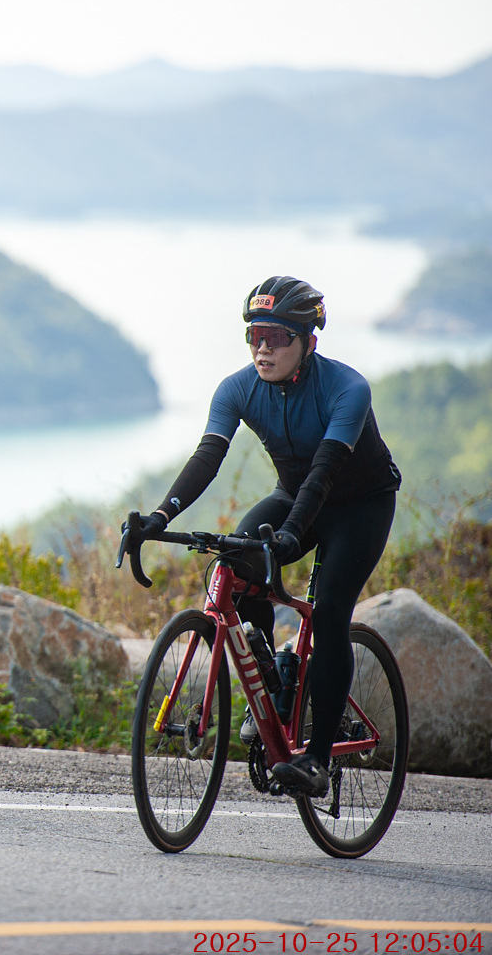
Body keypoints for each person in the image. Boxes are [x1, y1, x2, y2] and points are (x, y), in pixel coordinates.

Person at [134, 276, 400, 797]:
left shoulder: (348, 389)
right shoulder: (237, 388)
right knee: (234, 566)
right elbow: (208, 456)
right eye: (255, 336)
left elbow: (324, 471)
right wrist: (159, 517)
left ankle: (316, 759)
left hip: (359, 506)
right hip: (293, 494)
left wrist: (293, 533)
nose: (263, 348)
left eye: (277, 337)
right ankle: (272, 692)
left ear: (309, 343)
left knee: (329, 613)